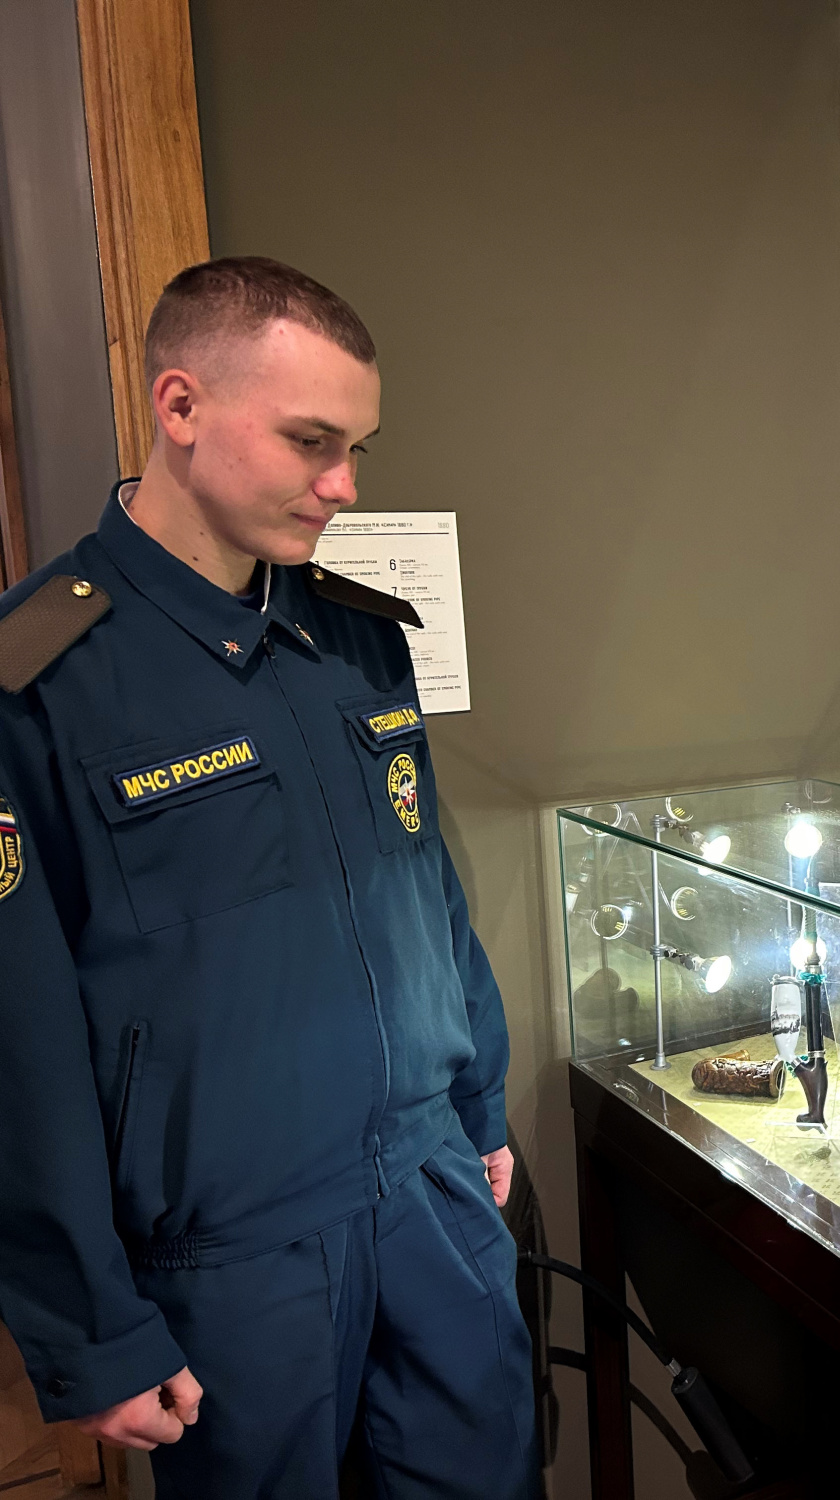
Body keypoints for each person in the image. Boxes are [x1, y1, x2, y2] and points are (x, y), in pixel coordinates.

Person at [0, 258, 537, 1498]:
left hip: (431, 1197)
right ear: (181, 405)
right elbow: (18, 1038)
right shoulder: (43, 680)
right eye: (311, 441)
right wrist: (90, 1324)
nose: (344, 485)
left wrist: (476, 1108)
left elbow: (427, 895)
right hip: (232, 1256)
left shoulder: (358, 638)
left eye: (355, 447)